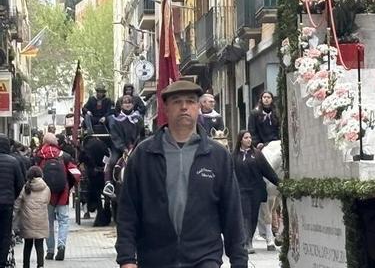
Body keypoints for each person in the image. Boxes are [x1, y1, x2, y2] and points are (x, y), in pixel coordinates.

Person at [115, 80, 247, 268]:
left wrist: (239, 261)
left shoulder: (218, 155)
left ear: (198, 107)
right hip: (155, 260)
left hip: (204, 259)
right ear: (166, 109)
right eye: (177, 101)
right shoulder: (143, 155)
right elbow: (128, 211)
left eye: (190, 101)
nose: (184, 107)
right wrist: (127, 259)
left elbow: (232, 212)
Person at [33, 133, 80, 261]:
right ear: (56, 143)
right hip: (62, 193)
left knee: (48, 222)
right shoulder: (64, 156)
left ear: (44, 142)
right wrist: (68, 185)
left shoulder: (39, 156)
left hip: (45, 194)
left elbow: (33, 175)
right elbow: (76, 173)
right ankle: (61, 246)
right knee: (63, 221)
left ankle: (50, 251)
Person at [232, 130, 279, 254]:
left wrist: (280, 184)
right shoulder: (234, 156)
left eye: (250, 137)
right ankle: (247, 242)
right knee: (245, 216)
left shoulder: (257, 154)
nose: (249, 140)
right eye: (246, 138)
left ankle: (249, 239)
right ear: (240, 140)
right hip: (241, 191)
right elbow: (228, 174)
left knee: (253, 217)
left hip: (255, 191)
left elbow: (268, 171)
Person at [103, 95, 145, 197]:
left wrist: (137, 145)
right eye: (125, 103)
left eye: (129, 102)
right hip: (119, 147)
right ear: (121, 105)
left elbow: (141, 134)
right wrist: (124, 148)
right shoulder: (114, 120)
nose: (127, 104)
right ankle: (109, 184)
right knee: (112, 160)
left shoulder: (138, 118)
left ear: (133, 104)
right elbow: (115, 136)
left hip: (135, 147)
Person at [13, 166, 50, 268]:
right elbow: (47, 201)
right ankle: (40, 265)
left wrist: (13, 217)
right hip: (41, 221)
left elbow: (17, 204)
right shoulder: (46, 188)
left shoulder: (25, 188)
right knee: (39, 244)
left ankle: (26, 265)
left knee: (27, 245)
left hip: (27, 221)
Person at [0, 134, 24, 265]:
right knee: (5, 234)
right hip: (7, 203)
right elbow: (20, 183)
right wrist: (12, 197)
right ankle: (2, 262)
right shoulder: (13, 161)